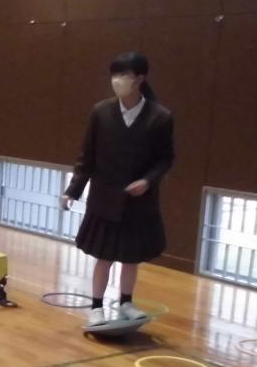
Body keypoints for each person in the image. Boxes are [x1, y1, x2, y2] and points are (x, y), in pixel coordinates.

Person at [61, 52, 175, 328]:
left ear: (139, 79)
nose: (117, 80)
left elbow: (165, 158)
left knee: (131, 257)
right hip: (105, 197)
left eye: (123, 75)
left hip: (140, 201)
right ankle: (96, 307)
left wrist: (147, 181)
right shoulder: (100, 112)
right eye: (114, 75)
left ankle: (126, 303)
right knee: (104, 256)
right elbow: (86, 157)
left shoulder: (160, 117)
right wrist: (72, 191)